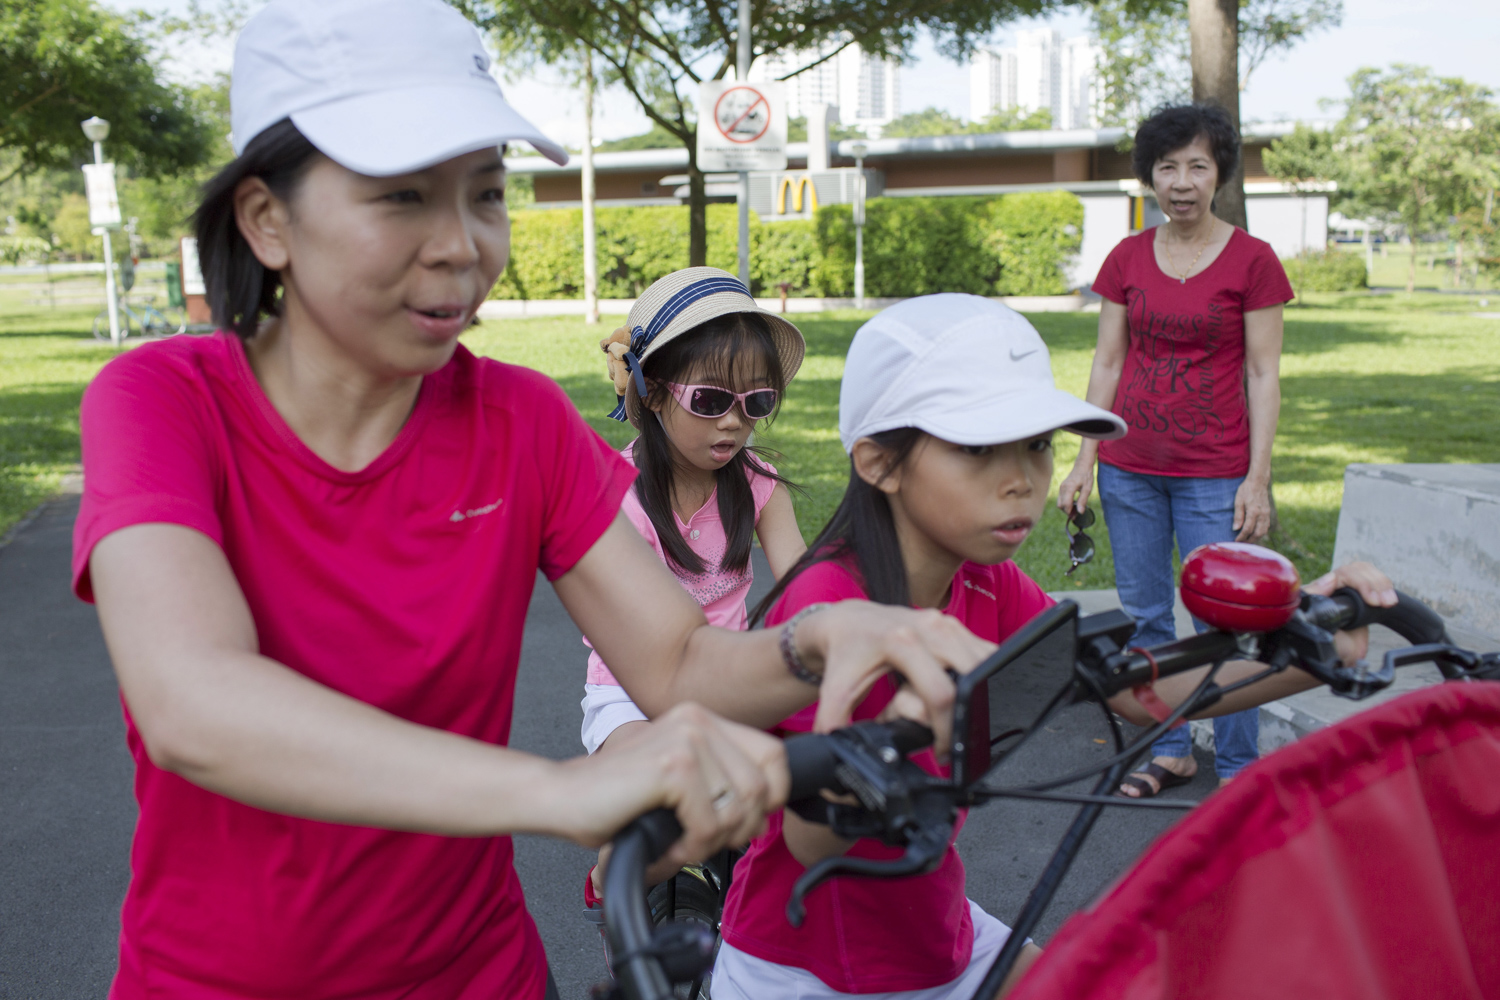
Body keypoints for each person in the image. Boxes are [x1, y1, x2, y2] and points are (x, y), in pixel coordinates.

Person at [69, 4, 997, 998]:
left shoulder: (520, 419)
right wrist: (562, 789)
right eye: (403, 196)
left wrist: (818, 636)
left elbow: (677, 660)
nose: (461, 245)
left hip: (482, 973)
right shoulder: (164, 401)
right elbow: (192, 701)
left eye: (487, 193)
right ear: (266, 219)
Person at [710, 295, 1393, 1000]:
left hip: (934, 932)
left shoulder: (987, 581)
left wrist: (1321, 649)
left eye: (1038, 443)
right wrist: (872, 749)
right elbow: (810, 844)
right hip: (811, 968)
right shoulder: (826, 606)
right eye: (979, 448)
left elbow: (1134, 693)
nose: (1023, 479)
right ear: (880, 463)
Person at [1056, 103, 1296, 800]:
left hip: (1215, 474)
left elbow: (1263, 374)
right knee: (1146, 618)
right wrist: (1083, 460)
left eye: (1197, 165)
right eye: (1167, 167)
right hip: (1130, 468)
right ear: (1149, 178)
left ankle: (1241, 766)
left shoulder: (1253, 260)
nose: (1182, 181)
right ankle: (1170, 749)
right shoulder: (1127, 257)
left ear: (1220, 172)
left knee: (1230, 617)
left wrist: (1258, 478)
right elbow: (1106, 363)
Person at [579, 269, 809, 907]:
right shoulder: (617, 495)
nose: (733, 424)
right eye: (710, 401)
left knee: (803, 805)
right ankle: (613, 891)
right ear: (651, 394)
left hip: (730, 678)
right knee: (654, 819)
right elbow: (646, 633)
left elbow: (805, 584)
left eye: (756, 403)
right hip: (630, 689)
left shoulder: (757, 482)